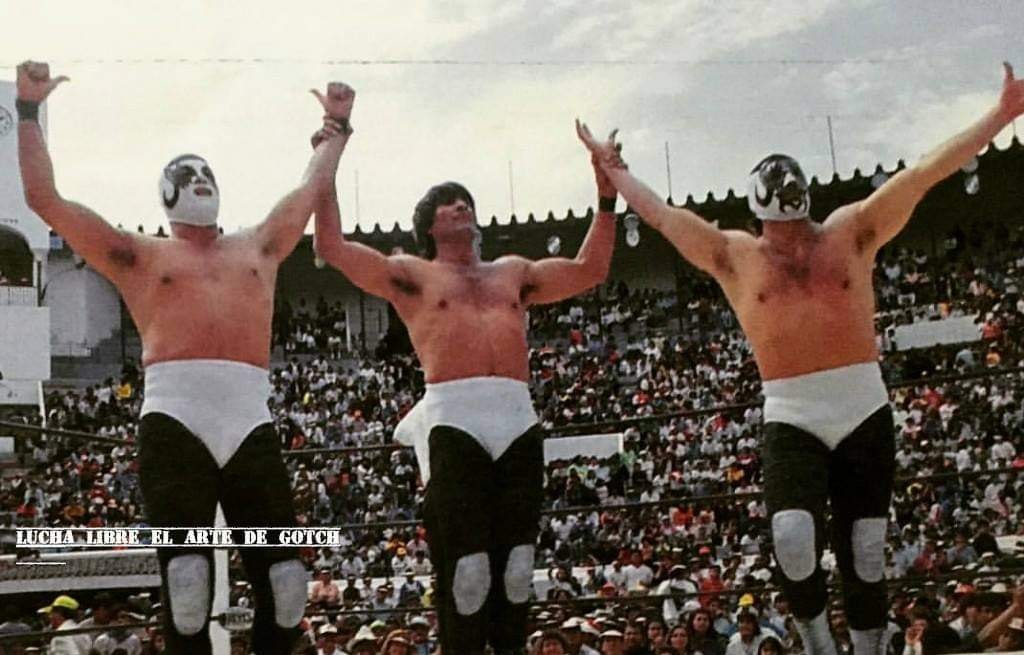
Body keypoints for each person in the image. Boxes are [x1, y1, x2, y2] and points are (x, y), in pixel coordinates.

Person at [577, 61, 1024, 655]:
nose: (791, 239)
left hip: (863, 403)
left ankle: (867, 648)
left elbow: (923, 174)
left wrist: (1001, 113)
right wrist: (615, 171)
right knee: (791, 536)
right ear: (761, 216)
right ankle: (817, 643)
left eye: (796, 220)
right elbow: (661, 216)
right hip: (792, 410)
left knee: (866, 547)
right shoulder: (735, 255)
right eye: (780, 225)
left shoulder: (849, 231)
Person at [16, 60, 352, 655]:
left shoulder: (259, 245)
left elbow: (309, 190)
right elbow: (45, 199)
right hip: (176, 417)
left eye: (204, 172)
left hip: (249, 416)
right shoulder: (139, 254)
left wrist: (335, 128)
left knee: (287, 581)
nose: (198, 180)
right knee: (188, 582)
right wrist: (27, 110)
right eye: (186, 174)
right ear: (168, 192)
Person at [312, 116, 618, 653]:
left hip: (517, 414)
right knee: (469, 572)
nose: (461, 206)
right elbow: (333, 246)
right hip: (455, 415)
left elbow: (590, 269)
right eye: (448, 203)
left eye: (465, 201)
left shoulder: (512, 272)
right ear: (429, 225)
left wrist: (606, 194)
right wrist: (330, 152)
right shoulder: (413, 274)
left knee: (517, 569)